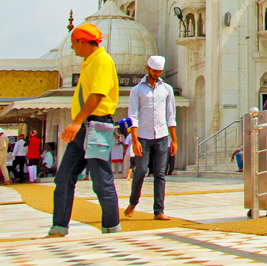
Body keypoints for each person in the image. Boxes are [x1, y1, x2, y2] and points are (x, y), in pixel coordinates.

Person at [49, 23, 121, 237]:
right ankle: (59, 226)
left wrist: (75, 122)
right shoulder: (89, 62)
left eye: (73, 43)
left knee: (100, 180)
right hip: (84, 128)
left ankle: (111, 226)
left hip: (96, 126)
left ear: (82, 41)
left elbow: (97, 95)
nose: (72, 48)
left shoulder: (102, 60)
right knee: (64, 177)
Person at [124, 55, 177, 222]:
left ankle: (159, 210)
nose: (156, 74)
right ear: (148, 69)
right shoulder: (137, 90)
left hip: (162, 136)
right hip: (143, 137)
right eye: (154, 71)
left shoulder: (167, 89)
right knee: (140, 171)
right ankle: (133, 202)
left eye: (159, 71)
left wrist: (173, 139)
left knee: (160, 174)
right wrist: (134, 140)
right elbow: (133, 116)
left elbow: (171, 115)